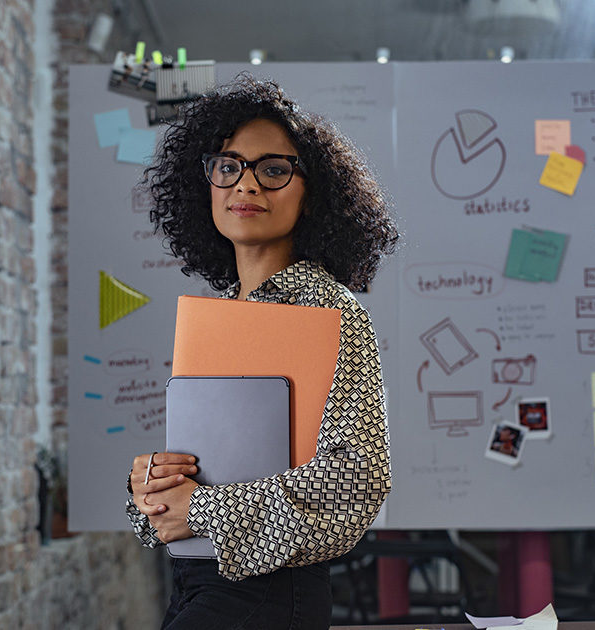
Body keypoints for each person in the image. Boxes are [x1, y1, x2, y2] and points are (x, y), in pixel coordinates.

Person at [125, 76, 399, 629]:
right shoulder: (222, 308)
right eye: (228, 167)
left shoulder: (329, 310)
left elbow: (358, 480)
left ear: (311, 192)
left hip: (273, 595)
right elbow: (215, 467)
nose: (245, 185)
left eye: (273, 170)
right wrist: (151, 490)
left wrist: (200, 510)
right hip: (198, 583)